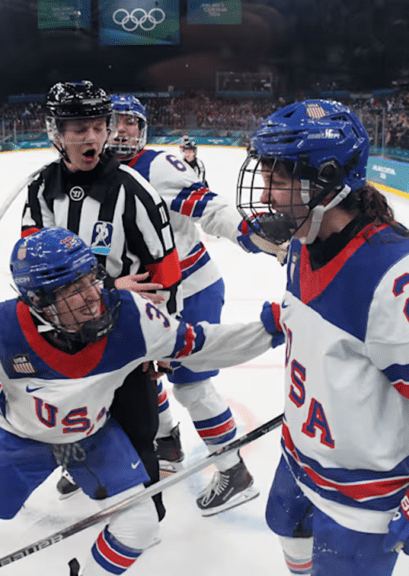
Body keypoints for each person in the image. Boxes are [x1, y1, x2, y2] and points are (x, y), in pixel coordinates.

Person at [0, 228, 279, 575]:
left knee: (140, 524)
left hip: (92, 437)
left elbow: (202, 344)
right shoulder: (3, 330)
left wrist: (270, 329)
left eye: (91, 279)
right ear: (39, 301)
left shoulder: (133, 318)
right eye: (72, 290)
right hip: (21, 439)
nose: (92, 297)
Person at [237, 99, 409, 575]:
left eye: (278, 180)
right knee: (286, 529)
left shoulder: (395, 275)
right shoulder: (303, 241)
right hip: (300, 457)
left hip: (363, 496)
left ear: (328, 183)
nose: (265, 194)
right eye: (264, 176)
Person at [60, 93, 284, 516]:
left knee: (191, 385)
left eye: (132, 121)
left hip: (190, 288)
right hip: (137, 296)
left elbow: (209, 208)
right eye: (115, 121)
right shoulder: (92, 172)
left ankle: (234, 472)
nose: (123, 129)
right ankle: (166, 442)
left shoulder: (157, 166)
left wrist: (260, 239)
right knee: (135, 372)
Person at [21, 80, 182, 522]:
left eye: (98, 126)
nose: (92, 138)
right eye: (79, 129)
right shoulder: (40, 190)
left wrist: (165, 340)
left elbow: (165, 270)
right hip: (65, 338)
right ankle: (90, 471)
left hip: (125, 334)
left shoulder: (135, 190)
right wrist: (110, 287)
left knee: (137, 431)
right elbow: (35, 273)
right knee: (76, 421)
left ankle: (146, 518)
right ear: (57, 133)